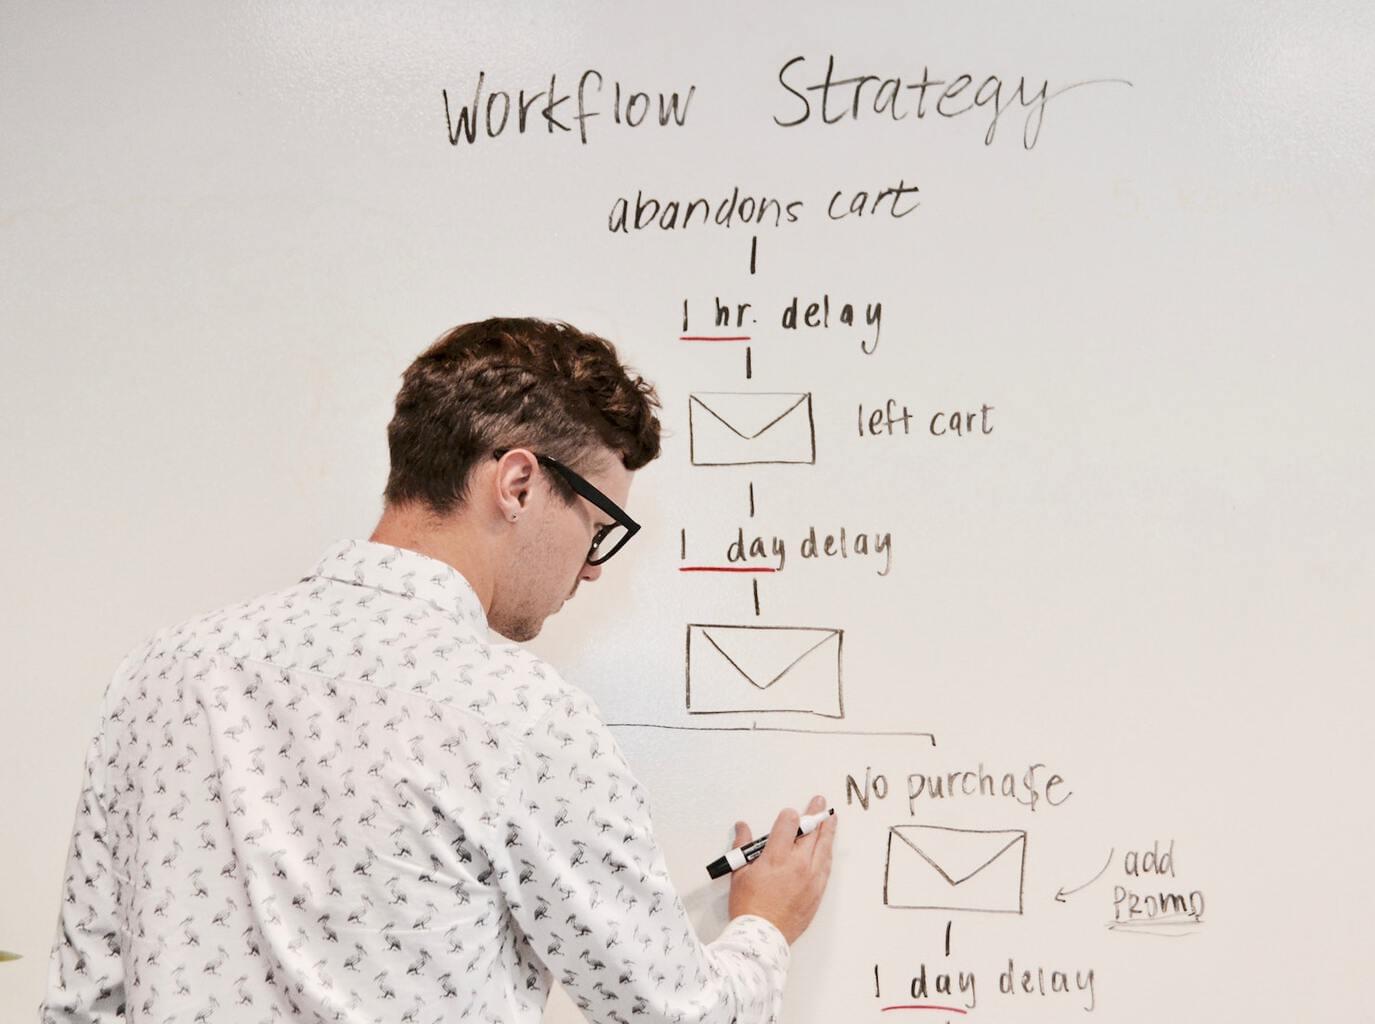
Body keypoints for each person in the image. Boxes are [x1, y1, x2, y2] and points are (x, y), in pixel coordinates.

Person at [39, 317, 837, 1024]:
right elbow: (670, 1015)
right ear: (518, 483)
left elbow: (80, 1003)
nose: (591, 568)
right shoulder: (523, 714)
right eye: (597, 527)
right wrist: (765, 925)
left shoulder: (163, 673)